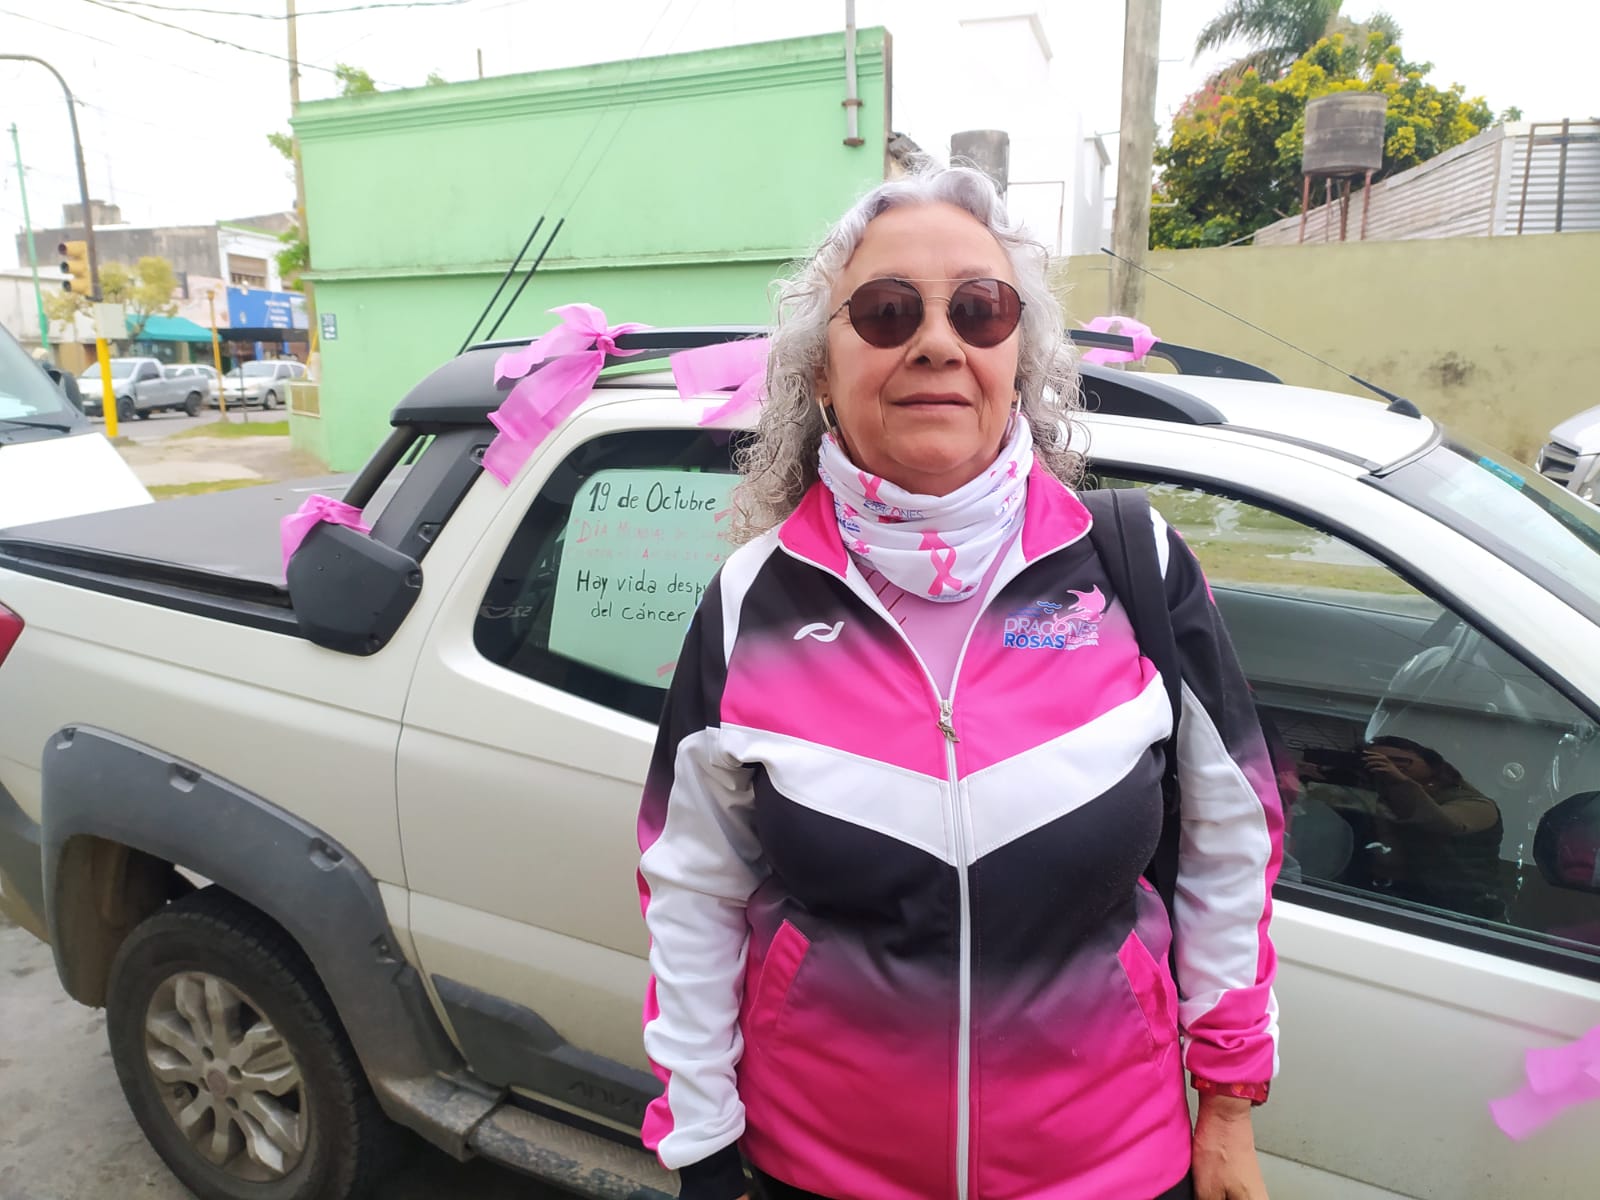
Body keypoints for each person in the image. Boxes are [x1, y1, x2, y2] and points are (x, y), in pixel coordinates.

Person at [636, 165, 1283, 1200]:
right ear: (818, 373)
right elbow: (693, 888)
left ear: (1017, 357)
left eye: (978, 310)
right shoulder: (750, 600)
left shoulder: (1132, 565)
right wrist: (703, 1144)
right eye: (888, 312)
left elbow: (1229, 843)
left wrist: (1229, 1106)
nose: (935, 341)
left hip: (1112, 1168)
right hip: (823, 1170)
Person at [1359, 735, 1505, 919]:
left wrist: (1400, 781)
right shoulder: (1382, 798)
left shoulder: (1476, 804)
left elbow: (1442, 822)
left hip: (1461, 911)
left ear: (1432, 765)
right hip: (1399, 901)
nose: (1388, 767)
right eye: (1374, 762)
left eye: (1400, 761)